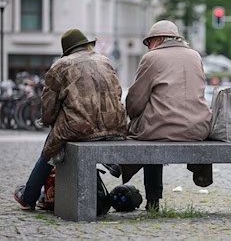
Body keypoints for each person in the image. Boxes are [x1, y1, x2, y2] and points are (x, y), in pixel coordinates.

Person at [13, 29, 128, 210]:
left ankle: (28, 196)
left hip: (80, 128)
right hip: (115, 126)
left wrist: (50, 121)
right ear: (87, 45)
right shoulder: (105, 61)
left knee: (49, 148)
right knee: (68, 138)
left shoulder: (60, 65)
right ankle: (97, 195)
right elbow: (117, 93)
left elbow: (49, 106)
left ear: (67, 50)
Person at [124, 20, 212, 211]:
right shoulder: (195, 56)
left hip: (162, 128)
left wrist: (133, 115)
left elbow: (136, 100)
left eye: (149, 43)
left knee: (149, 132)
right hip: (199, 128)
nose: (148, 48)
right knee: (155, 125)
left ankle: (152, 199)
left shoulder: (152, 58)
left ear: (159, 39)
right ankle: (201, 175)